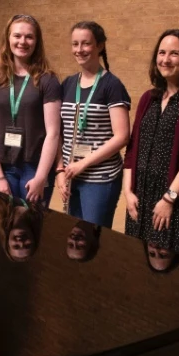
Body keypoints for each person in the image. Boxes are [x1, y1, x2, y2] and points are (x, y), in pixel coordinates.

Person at [123, 29, 179, 259]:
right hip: (140, 197)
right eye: (162, 53)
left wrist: (168, 199)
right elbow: (132, 150)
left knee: (174, 266)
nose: (166, 59)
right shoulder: (149, 98)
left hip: (176, 201)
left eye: (174, 53)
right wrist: (127, 191)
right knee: (138, 262)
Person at [54, 21, 130, 226]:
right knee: (75, 232)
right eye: (75, 44)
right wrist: (60, 170)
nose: (79, 50)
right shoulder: (68, 83)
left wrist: (83, 163)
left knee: (93, 235)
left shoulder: (112, 85)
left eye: (86, 43)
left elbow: (122, 136)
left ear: (100, 46)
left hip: (100, 178)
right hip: (71, 174)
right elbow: (59, 133)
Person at [0, 14, 62, 203]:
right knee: (1, 220)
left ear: (37, 41)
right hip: (2, 167)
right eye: (17, 36)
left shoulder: (48, 80)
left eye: (29, 37)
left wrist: (41, 177)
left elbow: (53, 133)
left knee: (32, 221)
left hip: (34, 167)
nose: (22, 42)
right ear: (8, 38)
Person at [0, 194, 43, 262]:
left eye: (16, 246)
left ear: (7, 242)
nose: (21, 243)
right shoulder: (43, 206)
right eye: (27, 245)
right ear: (34, 239)